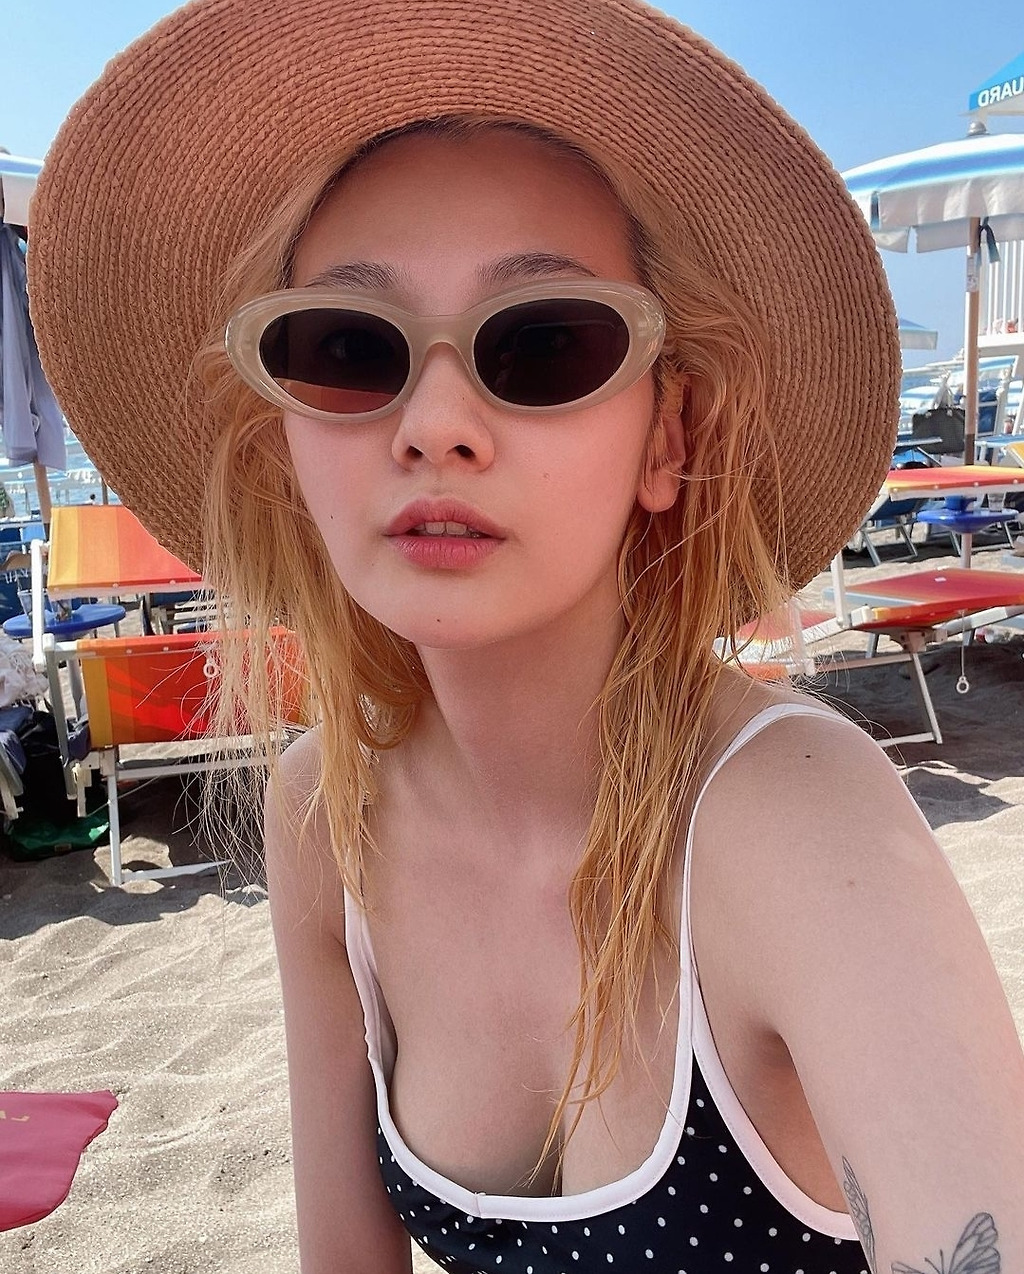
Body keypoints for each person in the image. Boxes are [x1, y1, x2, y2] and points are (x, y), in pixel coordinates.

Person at [28, 2, 1024, 1272]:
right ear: (284, 443)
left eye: (546, 342)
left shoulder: (789, 812)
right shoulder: (323, 811)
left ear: (665, 439)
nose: (434, 422)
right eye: (345, 348)